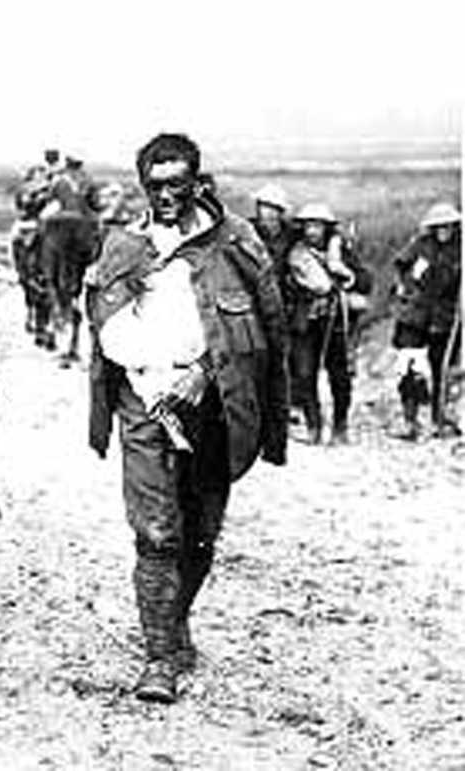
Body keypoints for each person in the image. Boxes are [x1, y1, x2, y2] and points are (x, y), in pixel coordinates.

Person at [85, 133, 287, 704]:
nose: (167, 195)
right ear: (143, 186)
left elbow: (270, 330)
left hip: (213, 402)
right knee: (156, 532)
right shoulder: (124, 246)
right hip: (144, 401)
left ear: (197, 182)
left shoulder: (235, 243)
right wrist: (149, 381)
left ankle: (175, 623)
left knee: (200, 533)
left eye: (178, 183)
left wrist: (206, 373)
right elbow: (105, 334)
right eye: (156, 185)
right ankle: (158, 658)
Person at [284, 203, 370, 445]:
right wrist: (296, 287)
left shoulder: (341, 250)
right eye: (308, 225)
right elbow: (284, 284)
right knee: (304, 374)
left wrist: (344, 274)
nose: (312, 231)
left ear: (326, 228)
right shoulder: (295, 253)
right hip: (305, 322)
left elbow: (366, 281)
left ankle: (341, 427)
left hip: (337, 322)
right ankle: (313, 426)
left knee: (340, 375)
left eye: (317, 225)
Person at [391, 202, 462, 439]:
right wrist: (405, 289)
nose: (443, 230)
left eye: (448, 226)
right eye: (438, 226)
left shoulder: (460, 249)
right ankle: (410, 421)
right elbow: (400, 266)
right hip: (414, 316)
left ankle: (442, 418)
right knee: (410, 367)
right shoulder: (420, 245)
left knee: (444, 369)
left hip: (446, 317)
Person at [38, 154, 98, 364]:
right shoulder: (88, 180)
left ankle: (40, 267)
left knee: (40, 231)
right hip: (84, 232)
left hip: (59, 228)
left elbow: (48, 201)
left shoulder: (58, 180)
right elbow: (95, 204)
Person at [11, 165, 53, 340]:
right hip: (31, 224)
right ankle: (21, 268)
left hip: (41, 225)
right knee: (16, 238)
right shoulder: (27, 189)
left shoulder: (49, 188)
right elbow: (21, 207)